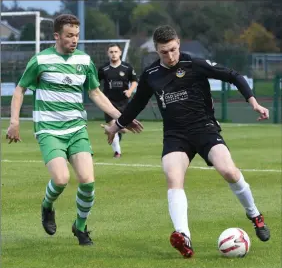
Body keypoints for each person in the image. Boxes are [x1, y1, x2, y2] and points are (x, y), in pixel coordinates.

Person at [102, 25, 270, 257]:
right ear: (157, 51)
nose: (170, 56)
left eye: (172, 50)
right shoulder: (151, 74)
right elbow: (137, 104)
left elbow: (233, 75)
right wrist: (117, 124)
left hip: (204, 129)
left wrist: (253, 102)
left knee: (228, 171)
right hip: (175, 135)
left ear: (178, 43)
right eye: (164, 52)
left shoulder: (195, 64)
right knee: (173, 178)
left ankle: (254, 215)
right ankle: (184, 236)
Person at [6, 14, 142, 246]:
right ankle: (47, 206)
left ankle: (80, 227)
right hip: (49, 130)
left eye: (77, 35)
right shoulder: (40, 61)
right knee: (60, 179)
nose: (74, 40)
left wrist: (122, 117)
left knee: (88, 182)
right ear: (57, 36)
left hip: (76, 129)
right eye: (69, 36)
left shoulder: (84, 61)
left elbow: (95, 93)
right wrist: (14, 121)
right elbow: (20, 90)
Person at [98, 43, 138, 158]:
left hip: (123, 103)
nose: (113, 54)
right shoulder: (103, 69)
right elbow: (95, 84)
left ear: (120, 53)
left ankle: (111, 130)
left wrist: (130, 91)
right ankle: (117, 152)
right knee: (113, 126)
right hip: (108, 103)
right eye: (111, 52)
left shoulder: (127, 68)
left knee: (124, 129)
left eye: (115, 52)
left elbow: (135, 81)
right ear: (108, 54)